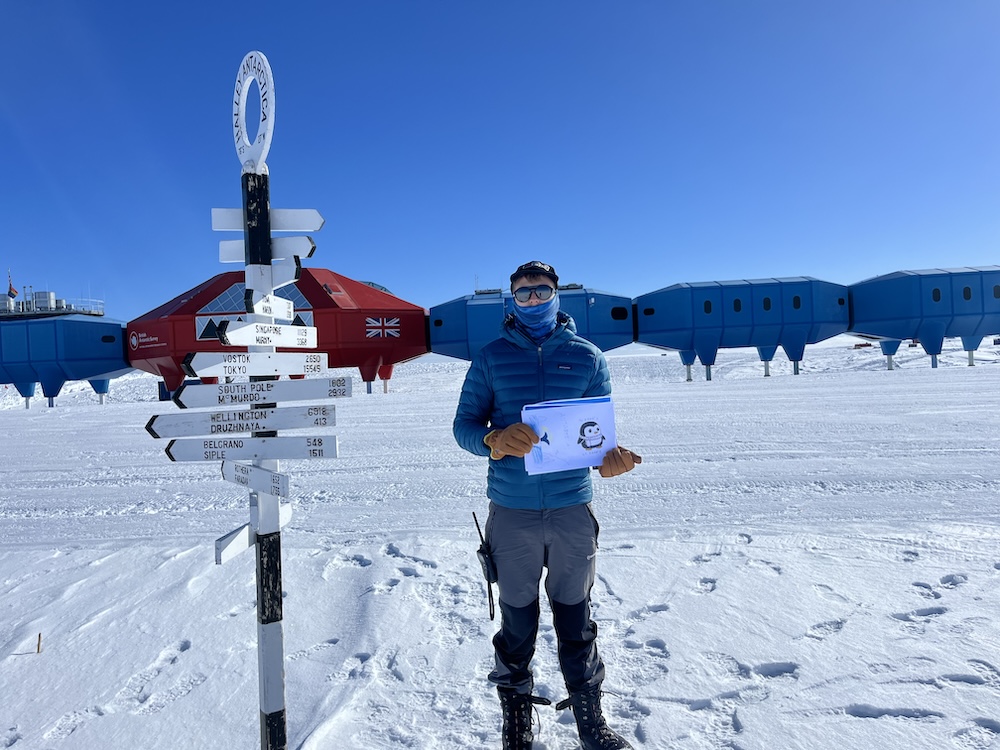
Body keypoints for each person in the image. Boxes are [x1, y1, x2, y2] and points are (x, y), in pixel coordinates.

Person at [453, 260, 641, 750]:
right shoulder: (491, 358)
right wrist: (493, 439)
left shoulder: (587, 358)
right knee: (517, 623)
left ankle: (590, 723)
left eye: (541, 291)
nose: (533, 300)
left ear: (557, 296)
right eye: (523, 293)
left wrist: (610, 460)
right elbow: (463, 427)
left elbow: (597, 436)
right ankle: (516, 722)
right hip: (511, 512)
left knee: (575, 620)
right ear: (512, 300)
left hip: (571, 510)